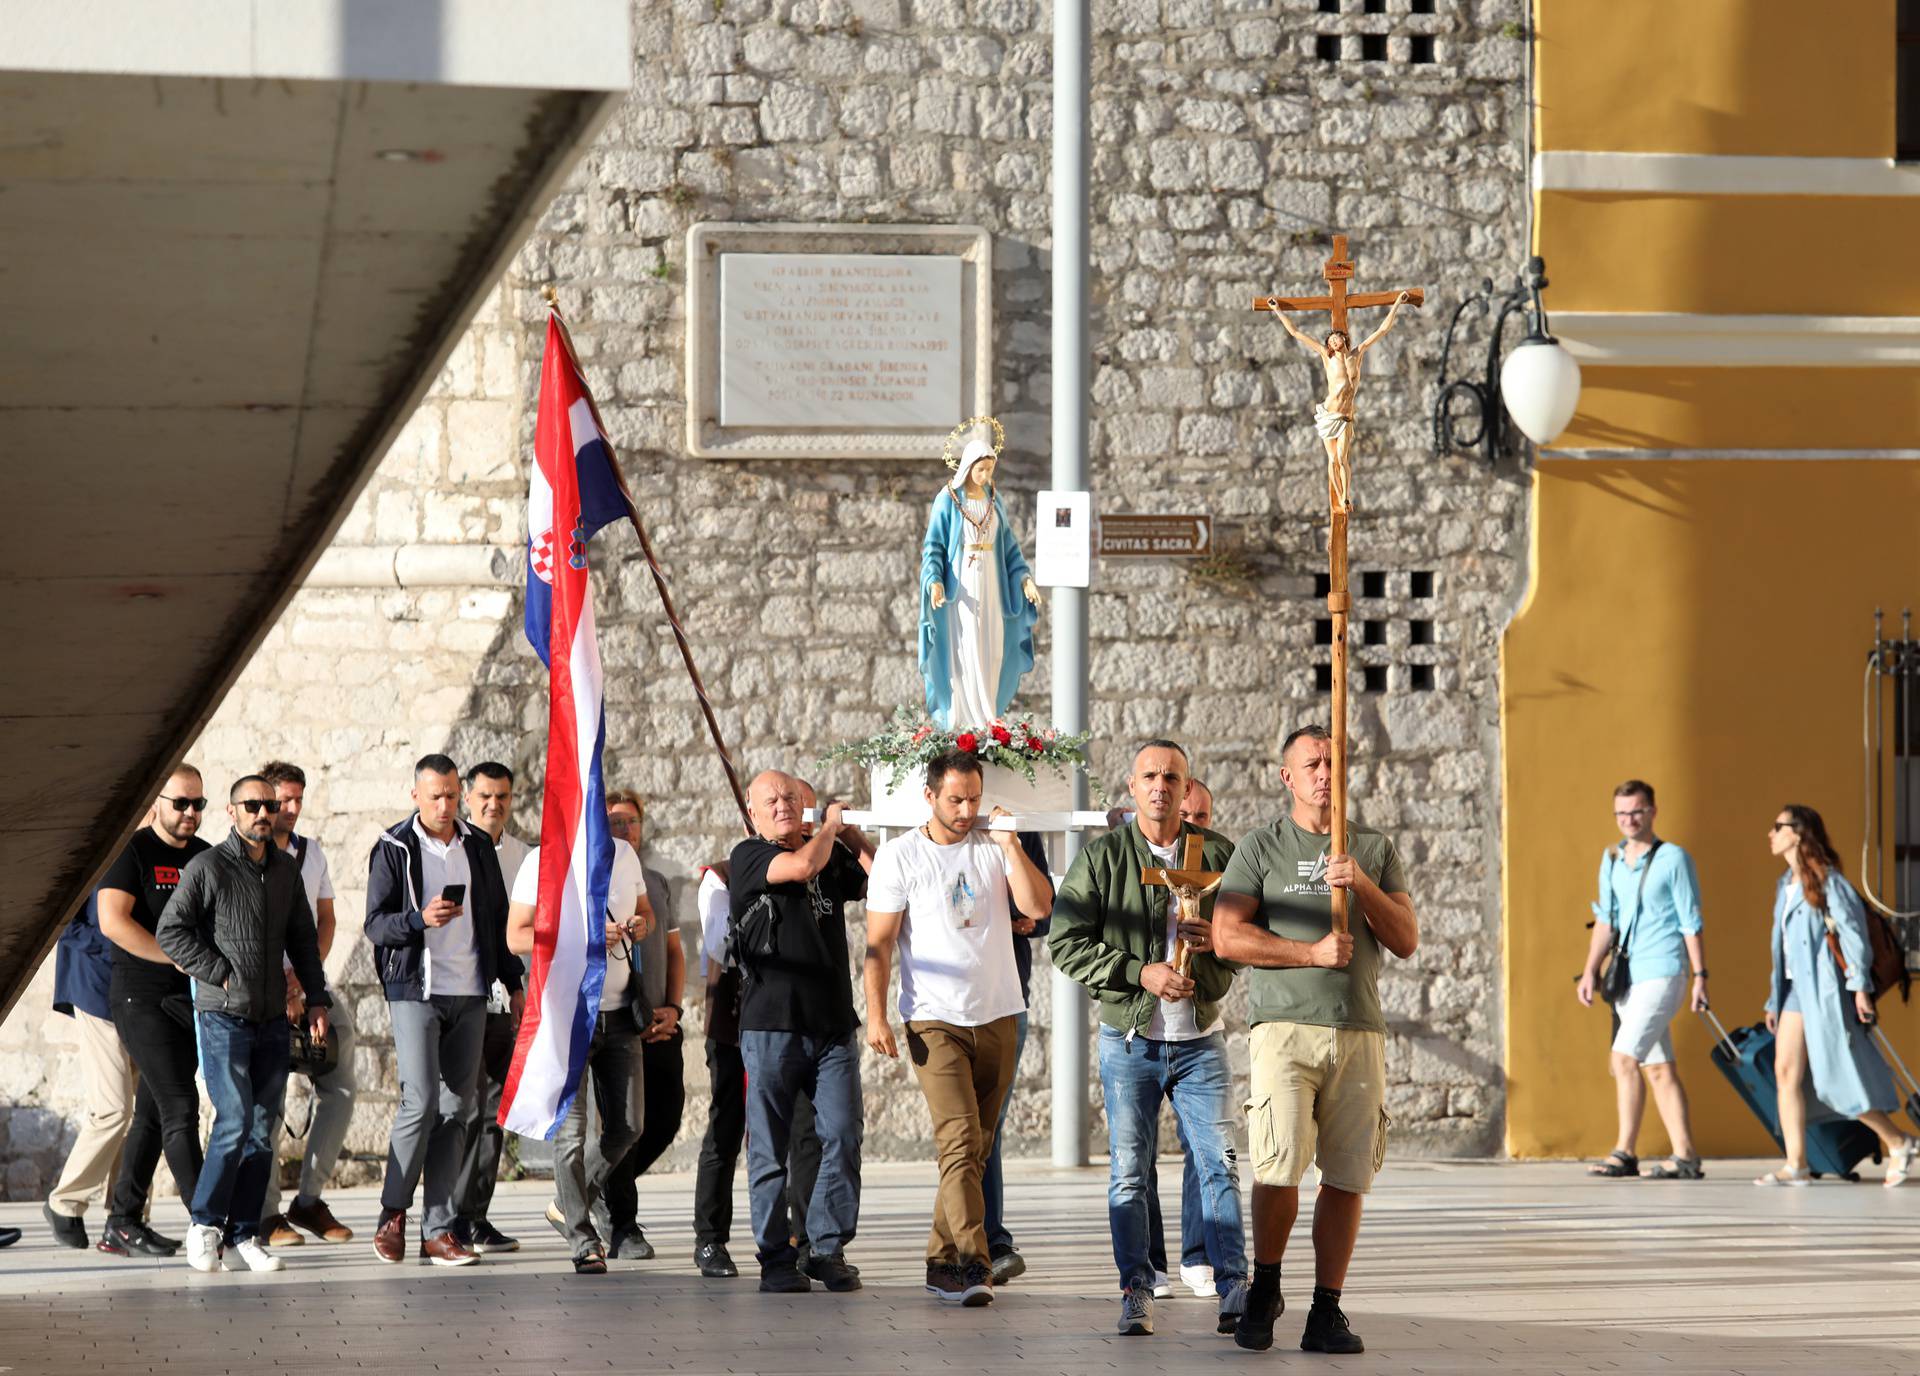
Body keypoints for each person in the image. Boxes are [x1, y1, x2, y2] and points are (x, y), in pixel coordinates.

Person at [1213, 725, 1418, 1356]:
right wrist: (1310, 951)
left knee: (1349, 1176)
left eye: (1334, 763)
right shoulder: (1261, 847)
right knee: (1279, 1163)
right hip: (1284, 1032)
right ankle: (1266, 1286)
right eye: (1312, 764)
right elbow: (1227, 937)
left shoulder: (1375, 848)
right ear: (1288, 777)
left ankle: (1326, 1308)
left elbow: (1406, 938)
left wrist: (1359, 883)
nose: (1325, 773)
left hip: (1358, 1030)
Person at [1048, 741, 1247, 1337]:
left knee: (1220, 1165)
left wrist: (1215, 942)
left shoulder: (1219, 855)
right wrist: (1142, 973)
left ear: (1188, 790)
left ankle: (1234, 1284)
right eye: (1150, 776)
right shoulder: (1105, 858)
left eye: (1173, 778)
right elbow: (1065, 941)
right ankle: (1136, 1287)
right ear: (1132, 787)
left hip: (1200, 1040)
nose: (1161, 787)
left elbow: (1249, 933)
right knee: (1130, 1172)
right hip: (1130, 1040)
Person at [864, 750, 1053, 1308]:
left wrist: (1012, 845)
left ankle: (938, 1262)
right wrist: (876, 1014)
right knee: (960, 1140)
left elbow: (1037, 907)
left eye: (973, 797)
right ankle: (975, 1263)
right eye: (955, 799)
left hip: (999, 1012)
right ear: (930, 796)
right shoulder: (901, 856)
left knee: (976, 1148)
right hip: (933, 1019)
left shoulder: (994, 848)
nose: (967, 809)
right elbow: (877, 946)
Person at [157, 774, 333, 1273]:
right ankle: (204, 1224)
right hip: (223, 1017)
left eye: (269, 805)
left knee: (261, 1130)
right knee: (233, 1121)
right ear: (231, 813)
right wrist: (221, 973)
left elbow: (303, 937)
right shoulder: (207, 867)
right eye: (251, 805)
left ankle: (242, 1236)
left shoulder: (284, 870)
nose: (262, 813)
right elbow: (171, 930)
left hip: (273, 1018)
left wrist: (316, 999)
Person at [365, 753, 518, 1267]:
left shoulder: (476, 845)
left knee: (459, 1110)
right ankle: (392, 1212)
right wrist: (419, 919)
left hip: (471, 990)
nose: (445, 804)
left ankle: (439, 1229)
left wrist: (511, 983)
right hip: (415, 990)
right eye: (435, 795)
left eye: (453, 794)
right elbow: (376, 926)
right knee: (421, 1101)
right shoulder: (394, 847)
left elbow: (496, 916)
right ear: (415, 795)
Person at [731, 769, 874, 1294]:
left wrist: (853, 833)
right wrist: (832, 830)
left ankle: (826, 1247)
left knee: (842, 1134)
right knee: (770, 1149)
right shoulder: (750, 856)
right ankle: (775, 1257)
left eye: (791, 797)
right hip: (771, 1027)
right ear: (753, 812)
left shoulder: (829, 849)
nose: (783, 805)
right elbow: (802, 864)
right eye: (771, 800)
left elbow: (882, 884)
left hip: (833, 1026)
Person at [508, 810, 651, 1274]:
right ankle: (582, 1238)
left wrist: (640, 926)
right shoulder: (541, 861)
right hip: (568, 1015)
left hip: (618, 1012)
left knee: (629, 1125)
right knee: (570, 1134)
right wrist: (585, 936)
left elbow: (645, 912)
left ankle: (566, 1202)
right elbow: (517, 937)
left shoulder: (625, 855)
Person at [1755, 805, 1919, 1188]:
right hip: (1795, 991)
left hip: (1827, 992)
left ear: (1798, 833)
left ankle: (1897, 1140)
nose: (1770, 833)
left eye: (1777, 826)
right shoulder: (1785, 884)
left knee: (1835, 1077)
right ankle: (1796, 1163)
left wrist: (1860, 988)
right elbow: (1783, 947)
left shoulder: (1830, 882)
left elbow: (1854, 937)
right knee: (1785, 1073)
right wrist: (1772, 998)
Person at [96, 766, 212, 1259]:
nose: (190, 814)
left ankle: (122, 1222)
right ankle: (212, 1221)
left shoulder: (207, 857)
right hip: (139, 997)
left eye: (198, 805)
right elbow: (111, 921)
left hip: (188, 1001)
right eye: (181, 803)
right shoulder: (133, 850)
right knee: (181, 1109)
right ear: (157, 801)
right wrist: (174, 956)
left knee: (150, 1113)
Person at [1574, 781, 1709, 1180]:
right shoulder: (1613, 857)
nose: (1628, 820)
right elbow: (1606, 918)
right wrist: (1589, 969)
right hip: (1628, 976)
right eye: (1621, 813)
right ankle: (1685, 1156)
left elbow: (1691, 921)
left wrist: (1701, 976)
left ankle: (1624, 1151)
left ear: (1652, 811)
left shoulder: (1673, 859)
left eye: (1636, 812)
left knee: (1623, 1058)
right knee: (1659, 1068)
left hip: (1664, 969)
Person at [255, 760, 359, 1247]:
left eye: (299, 799)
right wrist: (282, 990)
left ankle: (309, 1199)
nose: (292, 809)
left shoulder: (311, 853)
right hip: (259, 990)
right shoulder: (240, 854)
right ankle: (265, 1212)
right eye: (283, 800)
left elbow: (327, 923)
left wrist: (302, 983)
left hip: (305, 982)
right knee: (269, 1101)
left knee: (340, 1081)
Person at [599, 789, 686, 1261]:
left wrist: (673, 1007)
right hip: (616, 1020)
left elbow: (673, 952)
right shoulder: (594, 877)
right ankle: (622, 1225)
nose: (624, 830)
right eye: (614, 822)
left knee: (666, 1116)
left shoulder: (654, 880)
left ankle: (594, 1193)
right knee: (623, 1125)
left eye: (630, 822)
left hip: (657, 1018)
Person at [918, 422, 1042, 729]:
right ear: (968, 467)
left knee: (992, 646)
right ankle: (962, 721)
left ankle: (988, 718)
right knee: (965, 646)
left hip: (992, 586)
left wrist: (1025, 580)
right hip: (962, 589)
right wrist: (934, 580)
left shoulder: (994, 500)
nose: (987, 477)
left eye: (990, 469)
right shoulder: (947, 500)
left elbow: (1010, 548)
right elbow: (933, 546)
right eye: (981, 470)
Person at [455, 760, 531, 1255]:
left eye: (502, 796)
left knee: (494, 1111)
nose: (493, 804)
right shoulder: (453, 850)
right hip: (460, 997)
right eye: (484, 795)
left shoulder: (526, 856)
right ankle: (445, 1217)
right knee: (460, 1109)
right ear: (467, 797)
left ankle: (475, 1216)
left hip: (507, 998)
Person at [43, 889, 137, 1249]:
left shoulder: (154, 851)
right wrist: (125, 944)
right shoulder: (99, 851)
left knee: (146, 1112)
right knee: (113, 1108)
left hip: (143, 997)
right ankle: (65, 1201)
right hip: (96, 991)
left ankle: (126, 1214)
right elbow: (64, 925)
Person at [980, 829, 1051, 1286]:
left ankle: (989, 1238)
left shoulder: (1019, 829)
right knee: (965, 1129)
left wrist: (1026, 921)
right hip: (947, 1006)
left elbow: (1044, 911)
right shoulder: (940, 832)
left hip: (1009, 999)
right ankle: (977, 1240)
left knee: (991, 1125)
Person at [690, 852, 744, 1278]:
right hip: (734, 1024)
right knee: (726, 1128)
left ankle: (800, 1239)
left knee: (798, 1133)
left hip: (792, 1024)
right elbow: (722, 946)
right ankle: (710, 1239)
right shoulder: (722, 877)